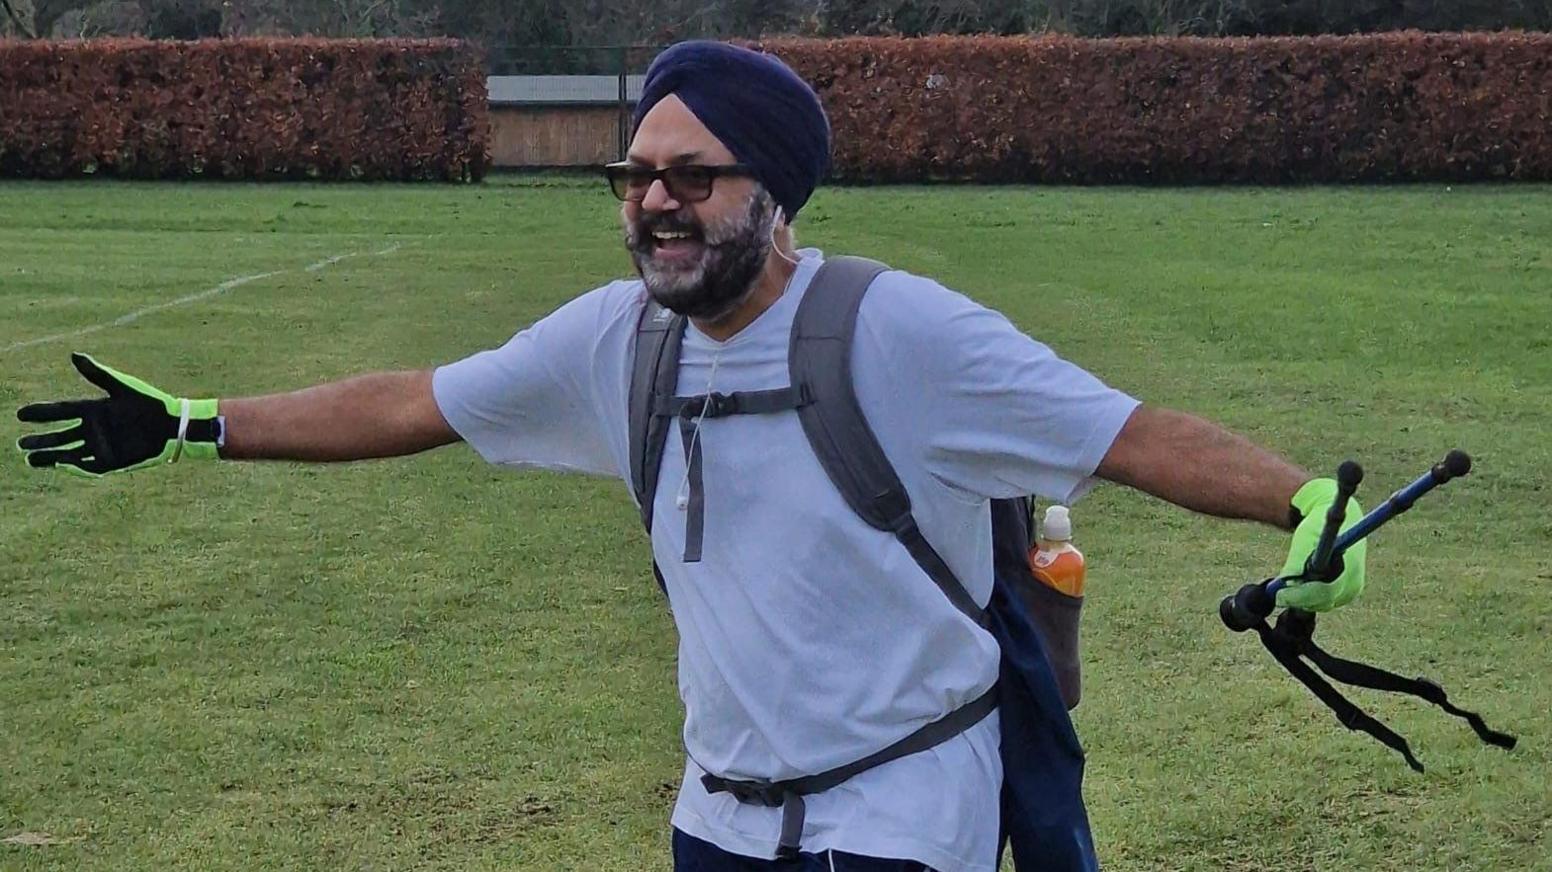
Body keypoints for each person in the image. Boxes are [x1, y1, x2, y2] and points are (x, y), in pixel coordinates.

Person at [15, 41, 1364, 872]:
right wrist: (199, 423)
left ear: (771, 196)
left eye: (691, 174)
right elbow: (412, 403)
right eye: (636, 173)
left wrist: (1302, 502)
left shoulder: (903, 333)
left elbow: (1126, 435)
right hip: (716, 821)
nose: (654, 200)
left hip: (900, 825)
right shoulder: (618, 343)